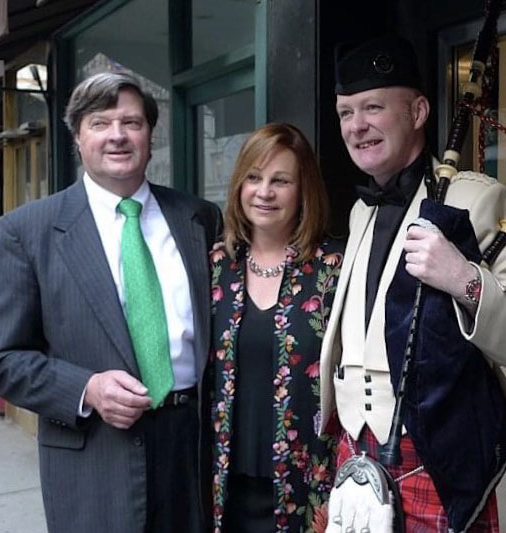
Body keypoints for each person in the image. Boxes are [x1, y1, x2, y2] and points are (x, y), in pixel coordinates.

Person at [319, 35, 506, 532]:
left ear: (418, 111)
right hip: (354, 449)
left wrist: (464, 278)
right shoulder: (360, 211)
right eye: (345, 113)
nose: (356, 126)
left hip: (435, 450)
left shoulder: (479, 199)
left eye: (373, 107)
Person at [0, 72, 222, 533]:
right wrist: (85, 388)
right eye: (100, 122)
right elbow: (0, 360)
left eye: (131, 122)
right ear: (77, 137)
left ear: (150, 134)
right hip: (94, 456)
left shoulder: (199, 218)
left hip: (192, 450)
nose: (117, 135)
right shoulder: (28, 231)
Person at [206, 123, 343, 532]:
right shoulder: (215, 267)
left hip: (310, 487)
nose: (264, 192)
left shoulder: (334, 268)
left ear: (303, 192)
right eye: (254, 177)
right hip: (224, 486)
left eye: (280, 181)